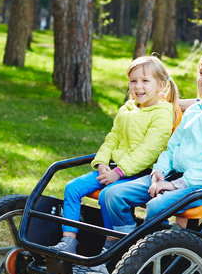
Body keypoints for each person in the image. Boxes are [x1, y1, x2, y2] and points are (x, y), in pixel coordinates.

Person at [99, 50, 202, 244]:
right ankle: (122, 246)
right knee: (113, 194)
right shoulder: (194, 110)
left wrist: (176, 185)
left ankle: (146, 251)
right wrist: (159, 172)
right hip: (173, 176)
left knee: (156, 206)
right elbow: (172, 148)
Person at [53, 56, 179, 254]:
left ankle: (113, 245)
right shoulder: (127, 109)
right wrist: (102, 163)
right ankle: (69, 241)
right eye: (133, 81)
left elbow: (148, 150)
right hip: (115, 170)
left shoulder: (162, 112)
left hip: (140, 174)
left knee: (107, 195)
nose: (138, 86)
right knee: (72, 188)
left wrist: (118, 173)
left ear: (160, 85)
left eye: (145, 81)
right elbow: (112, 138)